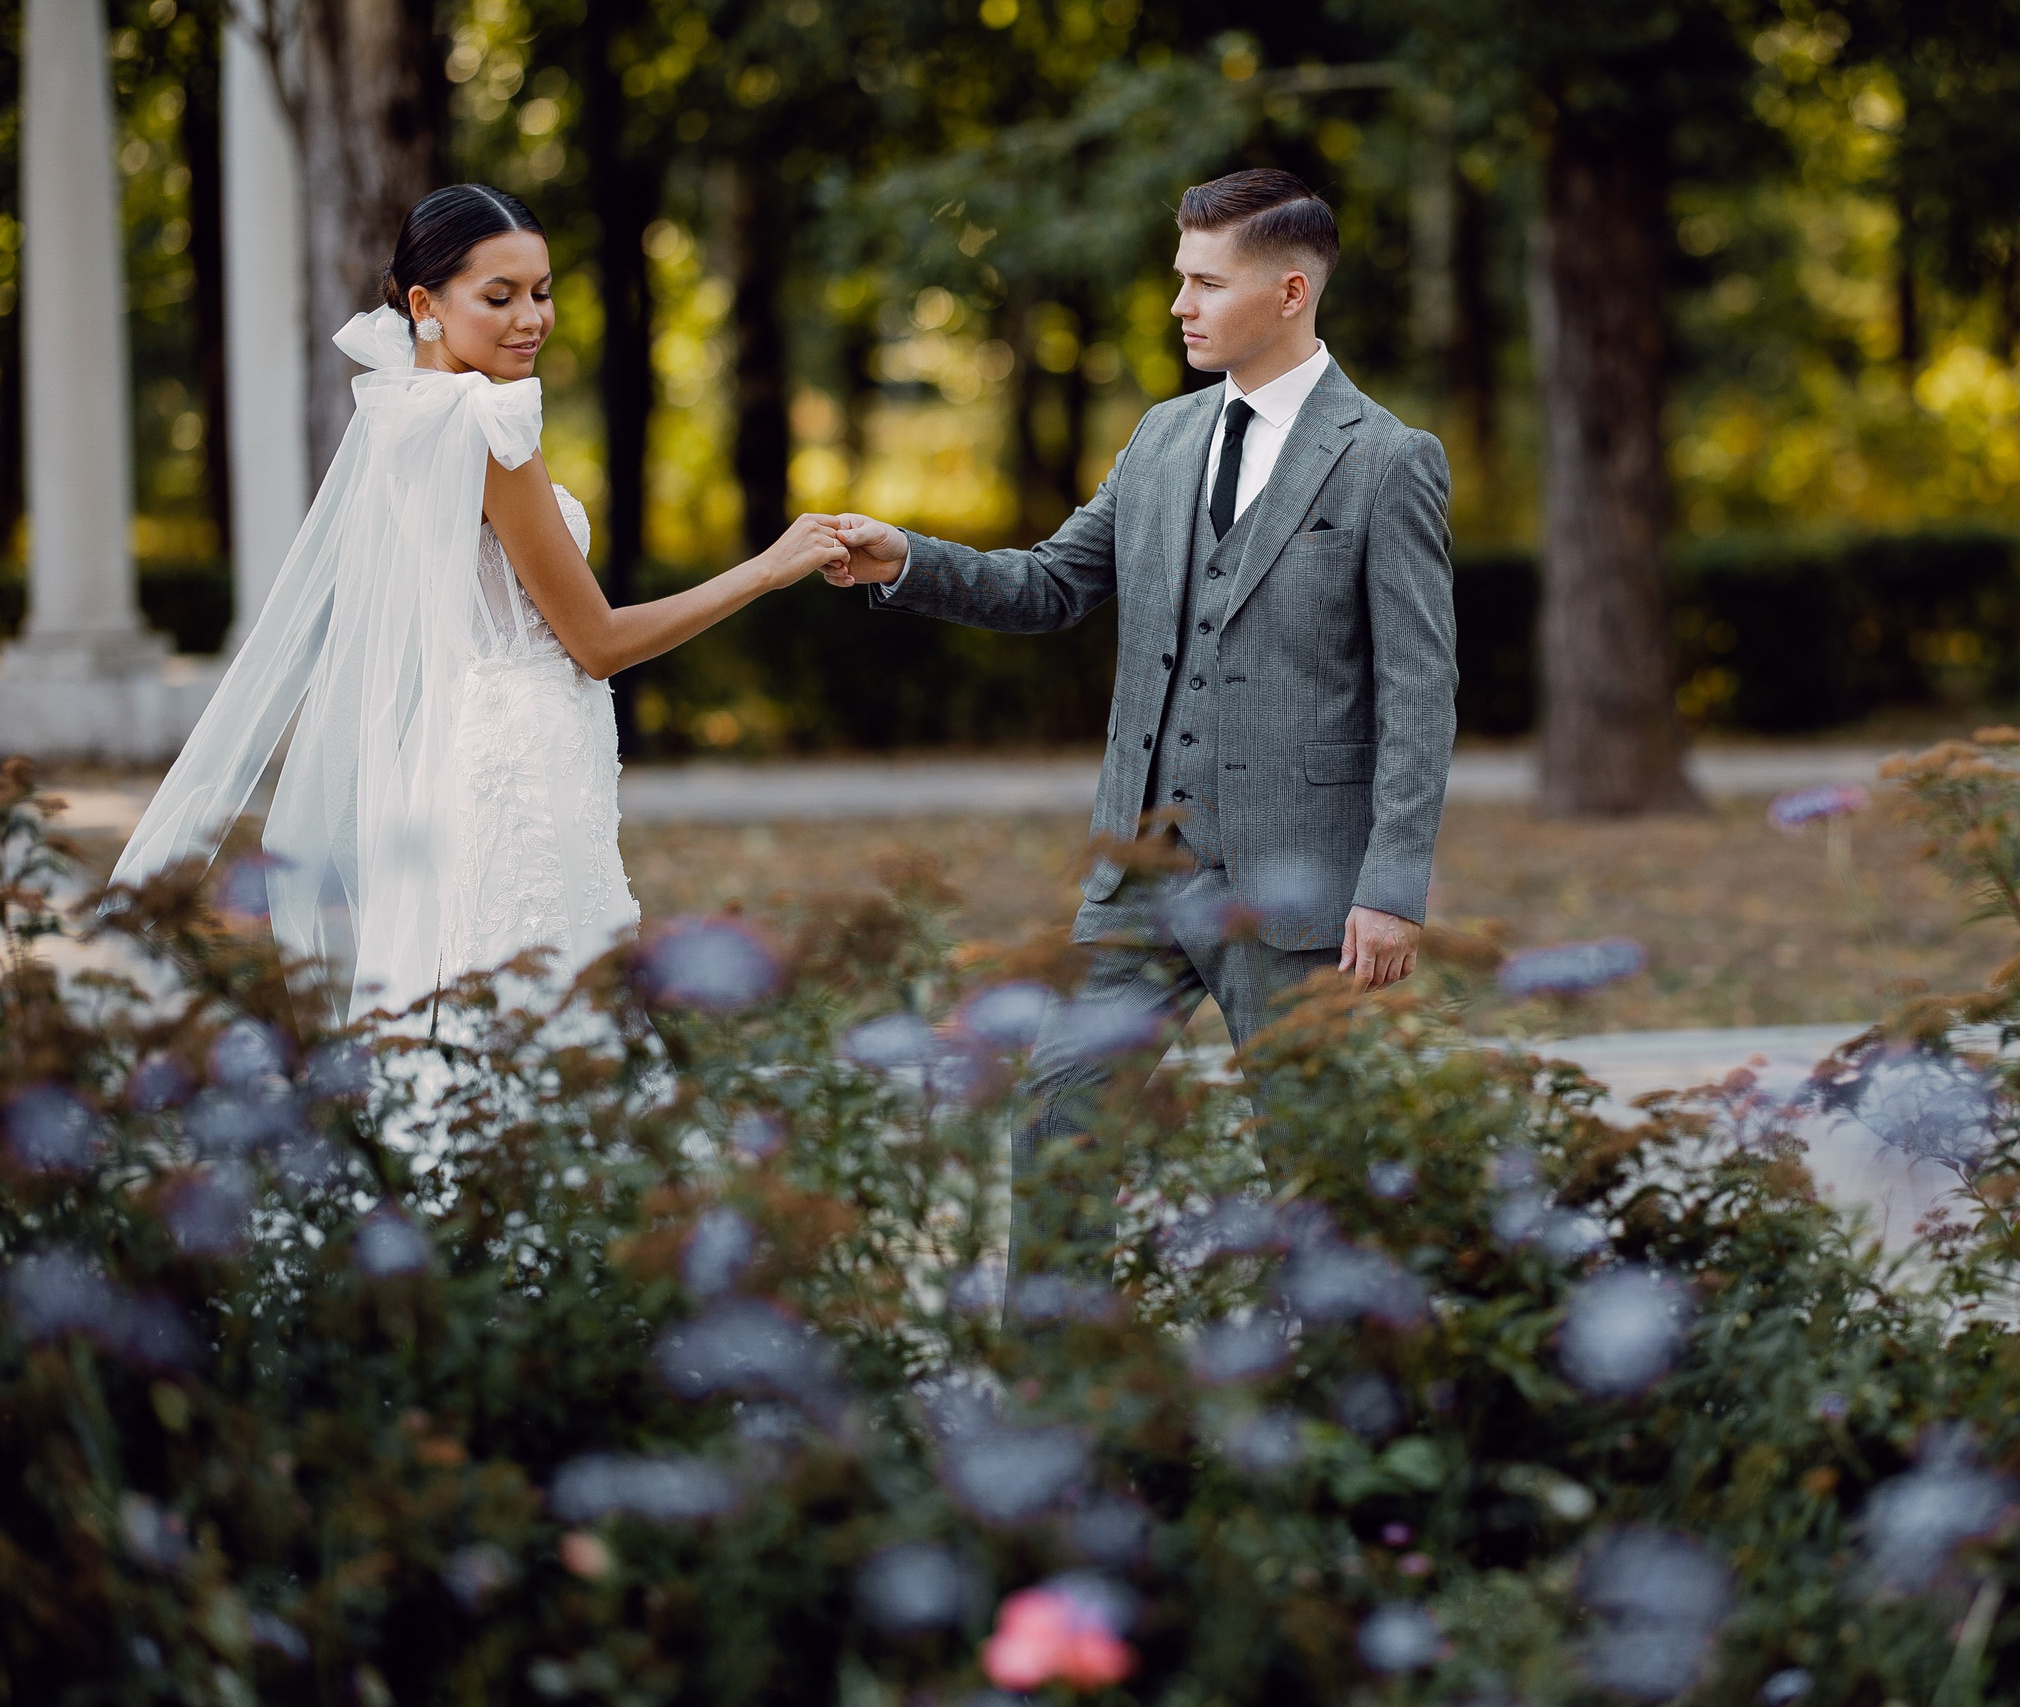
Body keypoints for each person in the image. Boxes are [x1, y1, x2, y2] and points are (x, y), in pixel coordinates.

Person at [826, 169, 1458, 1283]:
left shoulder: (1385, 459)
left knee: (1317, 1164)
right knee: (1058, 1125)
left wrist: (1390, 882)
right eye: (1180, 278)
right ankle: (1055, 1407)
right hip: (1140, 872)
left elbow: (1420, 684)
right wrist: (907, 559)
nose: (1180, 304)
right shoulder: (1161, 440)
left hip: (1297, 882)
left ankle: (1343, 1409)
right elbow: (1047, 586)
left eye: (1206, 283)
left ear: (1290, 292)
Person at [113, 184, 851, 1024]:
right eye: (498, 297)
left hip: (473, 741)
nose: (530, 318)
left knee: (489, 1001)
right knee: (538, 1005)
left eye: (540, 292)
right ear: (425, 303)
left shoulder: (405, 410)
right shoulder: (489, 428)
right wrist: (767, 568)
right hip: (523, 756)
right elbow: (600, 641)